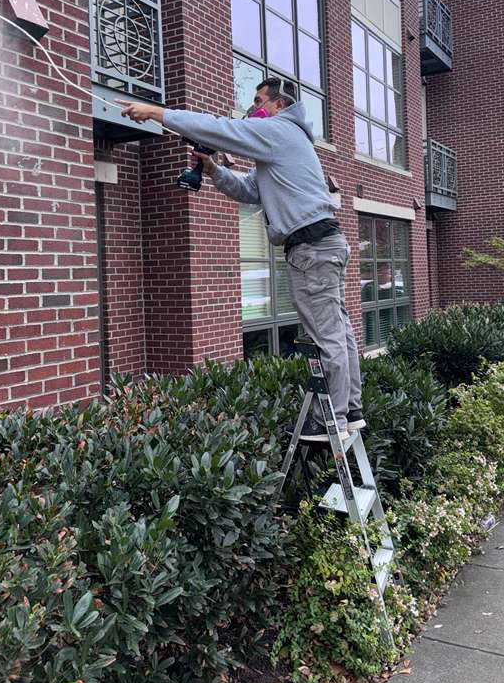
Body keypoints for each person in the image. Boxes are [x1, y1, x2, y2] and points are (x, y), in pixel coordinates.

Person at [121, 78, 365, 442]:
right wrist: (212, 170)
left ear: (279, 105)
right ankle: (351, 410)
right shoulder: (284, 143)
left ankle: (333, 420)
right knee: (338, 329)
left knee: (326, 334)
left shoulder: (279, 129)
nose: (253, 109)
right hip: (324, 244)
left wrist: (157, 113)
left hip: (312, 248)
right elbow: (249, 190)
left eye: (259, 101)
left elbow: (222, 129)